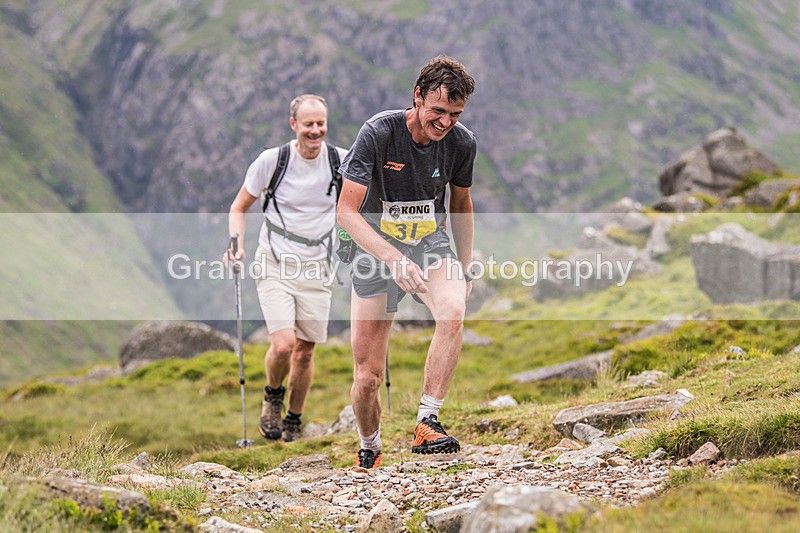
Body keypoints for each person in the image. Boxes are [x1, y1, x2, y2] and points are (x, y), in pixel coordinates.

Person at [336, 56, 477, 468]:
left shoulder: (462, 142)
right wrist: (393, 259)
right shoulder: (378, 133)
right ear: (416, 97)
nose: (445, 122)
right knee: (368, 378)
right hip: (375, 248)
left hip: (430, 242)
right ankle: (370, 446)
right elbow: (347, 212)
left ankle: (427, 421)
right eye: (437, 111)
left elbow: (462, 204)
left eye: (455, 114)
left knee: (453, 310)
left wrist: (465, 267)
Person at [224, 94, 348, 442]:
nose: (315, 130)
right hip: (274, 260)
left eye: (321, 123)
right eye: (308, 124)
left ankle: (294, 419)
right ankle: (272, 397)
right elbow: (239, 206)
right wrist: (236, 244)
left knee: (306, 353)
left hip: (318, 265)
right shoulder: (272, 161)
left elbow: (356, 205)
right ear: (294, 125)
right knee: (283, 346)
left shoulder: (340, 161)